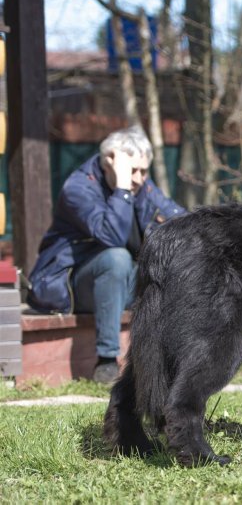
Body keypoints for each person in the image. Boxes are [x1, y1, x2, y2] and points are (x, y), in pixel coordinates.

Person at [27, 127, 185, 384]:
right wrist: (121, 189)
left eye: (143, 171)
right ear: (110, 160)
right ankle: (107, 361)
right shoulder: (78, 188)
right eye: (132, 170)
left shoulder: (141, 186)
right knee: (116, 258)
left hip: (120, 284)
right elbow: (111, 236)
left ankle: (170, 366)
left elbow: (178, 218)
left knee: (169, 268)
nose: (139, 179)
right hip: (72, 285)